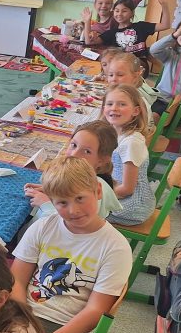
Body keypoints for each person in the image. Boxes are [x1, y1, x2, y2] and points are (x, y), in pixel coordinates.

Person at [10, 157, 132, 333]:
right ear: (51, 202)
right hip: (23, 314)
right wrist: (21, 318)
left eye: (80, 198)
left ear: (97, 191)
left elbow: (95, 311)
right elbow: (16, 279)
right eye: (62, 203)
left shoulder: (116, 247)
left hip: (67, 328)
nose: (73, 210)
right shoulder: (43, 226)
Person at [24, 120, 122, 221]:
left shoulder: (93, 190)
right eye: (74, 145)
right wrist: (54, 191)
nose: (74, 154)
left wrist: (47, 205)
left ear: (102, 160)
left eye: (87, 151)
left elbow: (73, 224)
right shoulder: (80, 179)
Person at [100, 84, 154, 226]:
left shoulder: (131, 143)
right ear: (104, 108)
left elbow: (127, 189)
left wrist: (99, 197)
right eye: (110, 104)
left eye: (122, 104)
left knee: (75, 207)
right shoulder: (117, 133)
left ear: (135, 111)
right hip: (120, 195)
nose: (114, 108)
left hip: (131, 207)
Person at [88, 0, 172, 69]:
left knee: (127, 62)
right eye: (117, 11)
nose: (119, 14)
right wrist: (87, 21)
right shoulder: (111, 33)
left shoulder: (141, 26)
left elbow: (165, 25)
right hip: (119, 67)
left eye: (124, 11)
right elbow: (89, 42)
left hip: (139, 65)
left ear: (132, 13)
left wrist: (164, 6)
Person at [105, 50, 159, 124]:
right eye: (111, 75)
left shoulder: (135, 99)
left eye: (120, 75)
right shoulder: (128, 90)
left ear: (135, 76)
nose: (113, 79)